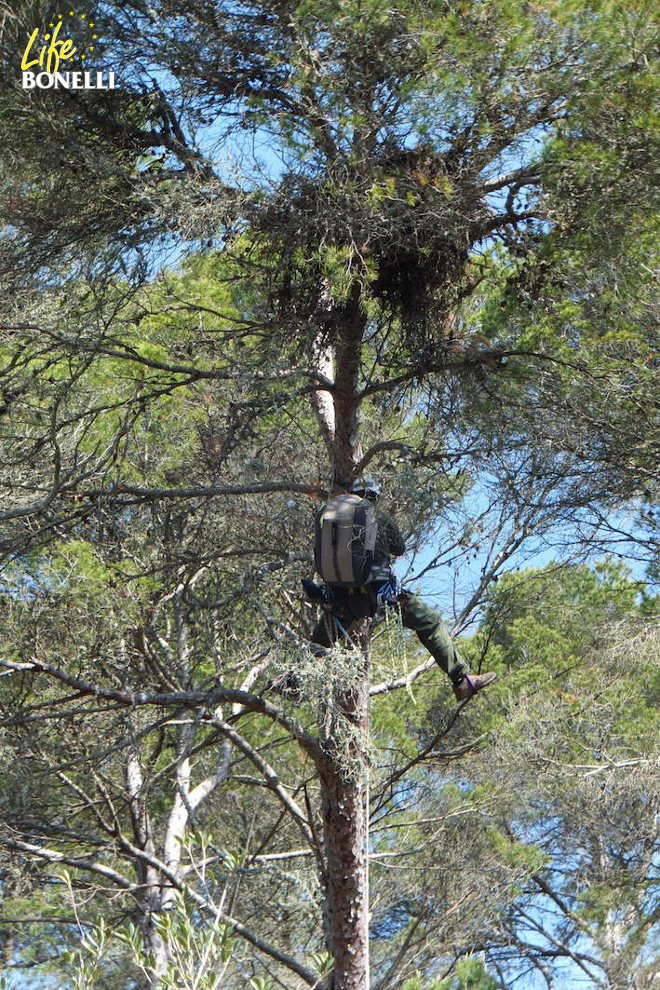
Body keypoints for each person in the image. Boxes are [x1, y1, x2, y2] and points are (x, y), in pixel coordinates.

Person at [310, 479, 496, 702]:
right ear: (373, 497)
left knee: (320, 642)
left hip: (342, 601)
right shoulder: (377, 516)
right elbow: (399, 548)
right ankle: (461, 681)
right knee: (430, 622)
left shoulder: (330, 518)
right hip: (380, 595)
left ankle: (290, 680)